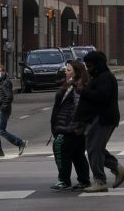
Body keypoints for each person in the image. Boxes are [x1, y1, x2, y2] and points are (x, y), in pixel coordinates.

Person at [74, 51, 124, 192]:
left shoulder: (105, 77)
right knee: (96, 148)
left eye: (89, 66)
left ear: (97, 65)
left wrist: (84, 91)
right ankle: (118, 169)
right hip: (99, 118)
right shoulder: (98, 77)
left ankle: (100, 181)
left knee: (94, 149)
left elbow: (102, 97)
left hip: (103, 118)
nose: (88, 69)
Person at [49, 60, 91, 191]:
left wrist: (78, 125)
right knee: (77, 154)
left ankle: (64, 180)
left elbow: (79, 107)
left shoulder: (78, 86)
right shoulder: (73, 84)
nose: (65, 72)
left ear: (76, 72)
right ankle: (84, 180)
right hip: (67, 126)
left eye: (68, 70)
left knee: (60, 150)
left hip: (69, 127)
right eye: (66, 70)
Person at [0, 65, 27, 158]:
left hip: (2, 111)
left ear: (3, 72)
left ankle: (20, 143)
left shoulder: (6, 83)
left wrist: (1, 110)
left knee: (1, 131)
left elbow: (9, 97)